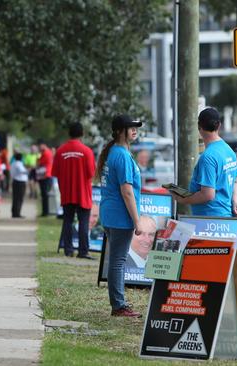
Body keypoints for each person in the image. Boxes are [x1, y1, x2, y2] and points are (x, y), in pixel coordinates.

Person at [96, 114, 143, 318]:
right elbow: (126, 191)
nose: (134, 130)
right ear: (118, 131)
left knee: (117, 260)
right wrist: (137, 220)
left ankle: (119, 302)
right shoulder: (121, 155)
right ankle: (118, 305)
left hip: (110, 214)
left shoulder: (114, 152)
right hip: (119, 217)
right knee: (117, 261)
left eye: (136, 127)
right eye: (130, 127)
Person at [170, 107, 237, 217]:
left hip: (209, 221)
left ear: (199, 127)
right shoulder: (228, 151)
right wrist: (236, 201)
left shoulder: (208, 157)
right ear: (219, 125)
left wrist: (183, 199)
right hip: (226, 219)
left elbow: (208, 195)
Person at [52, 122, 96, 259]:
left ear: (69, 133)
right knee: (83, 222)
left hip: (66, 193)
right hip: (83, 193)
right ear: (82, 133)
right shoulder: (87, 151)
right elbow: (91, 173)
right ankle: (83, 251)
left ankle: (68, 250)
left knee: (67, 221)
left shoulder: (60, 151)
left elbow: (55, 172)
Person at [37, 142, 54, 216]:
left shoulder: (45, 153)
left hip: (45, 176)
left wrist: (38, 160)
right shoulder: (47, 152)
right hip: (46, 175)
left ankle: (45, 212)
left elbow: (40, 162)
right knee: (45, 195)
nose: (39, 148)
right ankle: (45, 211)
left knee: (45, 195)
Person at [11, 152, 28, 218]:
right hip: (20, 182)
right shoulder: (19, 164)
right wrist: (28, 169)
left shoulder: (13, 163)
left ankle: (14, 212)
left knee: (15, 198)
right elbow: (23, 171)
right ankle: (17, 213)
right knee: (19, 198)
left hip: (15, 181)